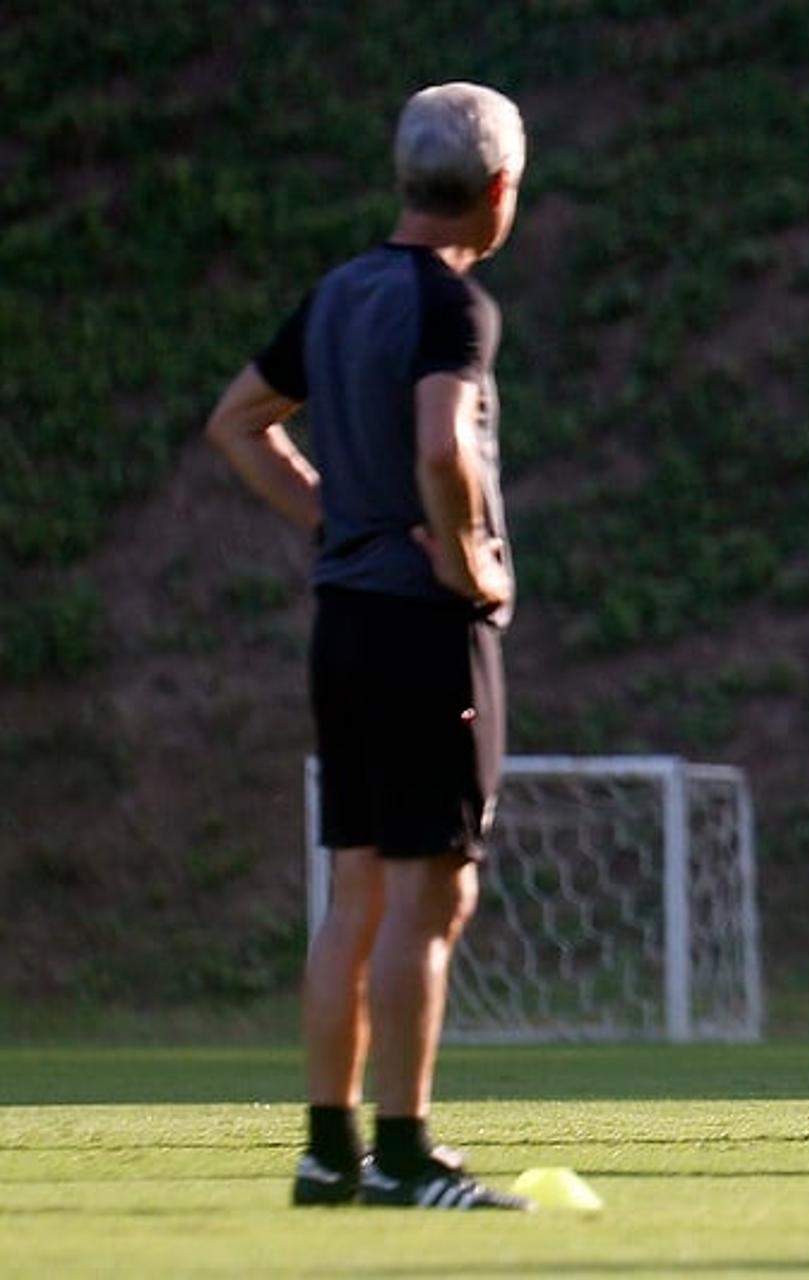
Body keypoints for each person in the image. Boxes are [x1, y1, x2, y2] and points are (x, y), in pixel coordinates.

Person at [205, 82, 532, 1206]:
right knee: (431, 896)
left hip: (343, 624)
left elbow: (238, 423)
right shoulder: (454, 306)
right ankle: (404, 1152)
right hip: (422, 633)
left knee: (355, 891)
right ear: (499, 192)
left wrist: (330, 518)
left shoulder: (337, 293)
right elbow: (444, 441)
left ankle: (326, 1148)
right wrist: (470, 556)